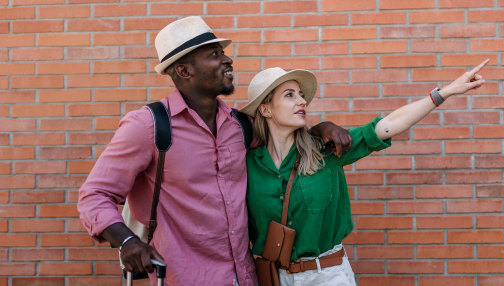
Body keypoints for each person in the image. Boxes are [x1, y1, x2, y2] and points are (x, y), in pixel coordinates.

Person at [77, 16, 351, 286]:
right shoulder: (147, 127)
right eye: (214, 54)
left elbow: (283, 133)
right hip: (185, 278)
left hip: (245, 277)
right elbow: (94, 195)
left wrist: (320, 128)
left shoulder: (242, 126)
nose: (227, 60)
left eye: (223, 52)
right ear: (185, 71)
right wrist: (127, 241)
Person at [240, 61, 488, 286]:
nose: (302, 101)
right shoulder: (246, 164)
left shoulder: (326, 150)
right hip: (273, 279)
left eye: (302, 95)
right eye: (289, 95)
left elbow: (388, 125)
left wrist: (445, 92)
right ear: (266, 110)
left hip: (326, 276)